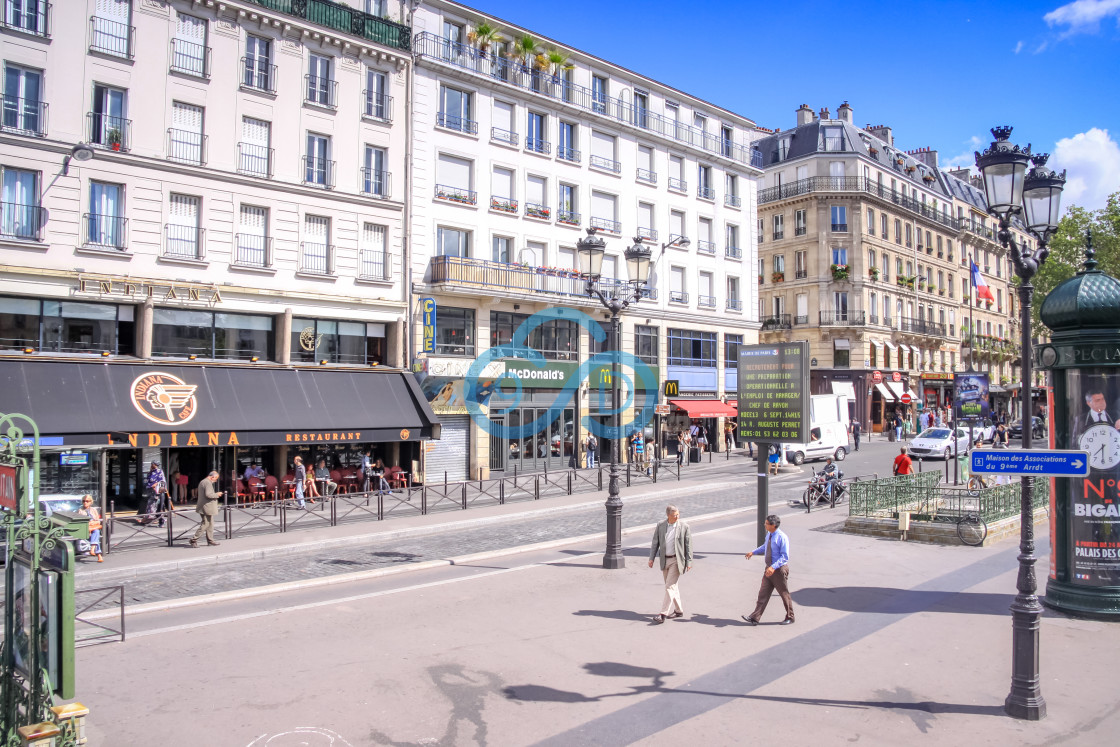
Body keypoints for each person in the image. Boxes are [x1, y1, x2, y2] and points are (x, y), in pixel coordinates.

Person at [742, 514, 793, 626]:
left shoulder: (782, 537)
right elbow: (765, 547)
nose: (764, 525)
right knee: (763, 594)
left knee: (784, 594)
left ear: (773, 525)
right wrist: (753, 552)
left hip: (778, 570)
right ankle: (755, 617)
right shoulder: (769, 535)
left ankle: (790, 616)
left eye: (766, 524)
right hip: (769, 569)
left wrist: (773, 567)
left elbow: (784, 557)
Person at [648, 504, 693, 623]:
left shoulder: (684, 527)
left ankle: (663, 614)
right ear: (668, 516)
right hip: (664, 560)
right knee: (672, 587)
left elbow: (688, 546)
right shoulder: (661, 526)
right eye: (674, 515)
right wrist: (651, 558)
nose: (677, 517)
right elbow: (655, 543)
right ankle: (678, 610)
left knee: (669, 586)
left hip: (676, 561)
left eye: (678, 514)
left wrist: (689, 561)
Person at [189, 471, 224, 547]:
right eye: (216, 478)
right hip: (206, 506)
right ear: (212, 477)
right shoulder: (207, 483)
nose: (216, 480)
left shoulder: (203, 481)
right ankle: (194, 539)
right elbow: (208, 494)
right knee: (206, 523)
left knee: (210, 523)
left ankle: (210, 540)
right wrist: (217, 494)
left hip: (204, 506)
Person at [140, 460, 168, 526]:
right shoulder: (150, 472)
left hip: (158, 491)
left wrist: (155, 484)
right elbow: (148, 481)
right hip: (151, 491)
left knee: (158, 507)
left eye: (153, 464)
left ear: (155, 464)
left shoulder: (159, 471)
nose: (152, 465)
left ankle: (160, 521)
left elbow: (162, 480)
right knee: (151, 505)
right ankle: (149, 519)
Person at [79, 494, 103, 562]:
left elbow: (98, 521)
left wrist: (93, 523)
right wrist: (88, 523)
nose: (85, 502)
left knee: (96, 532)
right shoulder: (80, 510)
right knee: (96, 534)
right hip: (85, 530)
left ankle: (93, 549)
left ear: (90, 502)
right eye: (83, 501)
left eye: (87, 501)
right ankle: (97, 554)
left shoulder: (93, 510)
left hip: (93, 528)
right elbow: (79, 522)